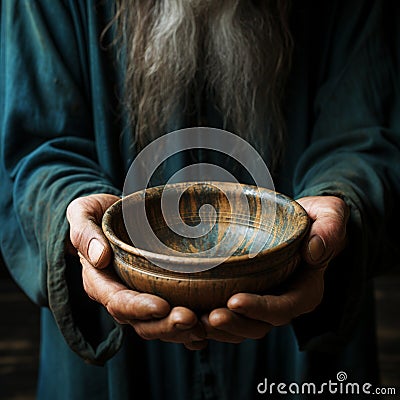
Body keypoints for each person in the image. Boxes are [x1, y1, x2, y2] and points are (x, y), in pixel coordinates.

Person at [0, 0, 399, 399]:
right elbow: (39, 144)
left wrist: (338, 199)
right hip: (117, 359)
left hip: (301, 338)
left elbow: (366, 131)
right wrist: (75, 209)